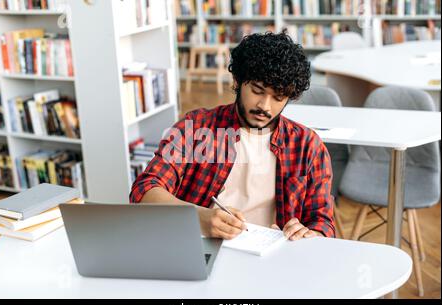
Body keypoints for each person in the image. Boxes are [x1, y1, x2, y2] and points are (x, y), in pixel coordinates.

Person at [130, 30, 335, 241]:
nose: (265, 106)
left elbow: (322, 223)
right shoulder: (196, 128)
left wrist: (310, 234)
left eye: (278, 97)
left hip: (273, 258)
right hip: (204, 245)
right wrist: (199, 217)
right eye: (257, 90)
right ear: (237, 81)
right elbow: (144, 190)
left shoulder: (308, 146)